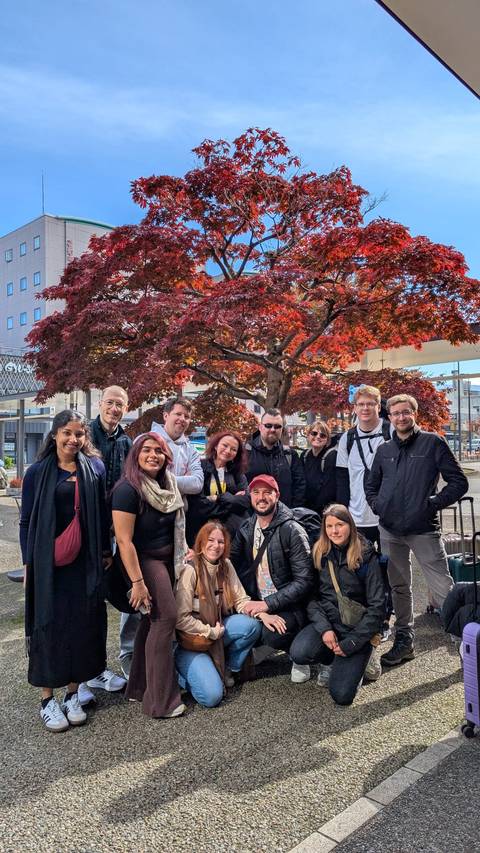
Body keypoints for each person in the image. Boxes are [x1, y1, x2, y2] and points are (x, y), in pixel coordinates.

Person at [20, 410, 111, 732]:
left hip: (85, 563)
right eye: (67, 433)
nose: (73, 439)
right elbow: (26, 522)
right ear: (55, 434)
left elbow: (102, 515)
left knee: (82, 626)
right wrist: (29, 563)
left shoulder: (95, 468)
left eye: (79, 434)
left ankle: (73, 693)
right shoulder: (37, 472)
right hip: (48, 566)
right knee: (48, 625)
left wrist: (105, 553)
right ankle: (47, 699)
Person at [366, 394, 468, 666]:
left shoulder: (433, 443)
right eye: (396, 413)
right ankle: (404, 640)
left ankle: (465, 643)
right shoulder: (384, 450)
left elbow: (458, 482)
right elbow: (371, 485)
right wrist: (378, 506)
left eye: (406, 412)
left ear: (414, 413)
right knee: (399, 587)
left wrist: (431, 504)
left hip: (423, 529)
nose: (401, 417)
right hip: (389, 530)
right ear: (389, 417)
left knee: (443, 587)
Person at [111, 431, 187, 718]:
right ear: (136, 455)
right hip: (143, 561)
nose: (153, 455)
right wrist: (138, 583)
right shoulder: (128, 489)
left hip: (166, 559)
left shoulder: (167, 485)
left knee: (151, 620)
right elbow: (123, 541)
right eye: (146, 450)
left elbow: (172, 528)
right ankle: (161, 702)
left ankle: (139, 687)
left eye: (158, 451)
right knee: (165, 618)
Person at [289, 504, 386, 705]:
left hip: (357, 630)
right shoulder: (319, 553)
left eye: (340, 525)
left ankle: (366, 657)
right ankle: (330, 660)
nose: (334, 531)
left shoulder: (366, 556)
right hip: (330, 623)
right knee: (300, 652)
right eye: (329, 526)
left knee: (341, 695)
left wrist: (353, 643)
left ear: (350, 525)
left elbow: (378, 607)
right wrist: (324, 629)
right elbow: (311, 598)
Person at [230, 474, 315, 682]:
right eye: (256, 492)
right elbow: (229, 560)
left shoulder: (292, 530)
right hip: (259, 599)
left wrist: (267, 604)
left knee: (272, 634)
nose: (261, 497)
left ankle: (298, 655)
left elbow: (304, 580)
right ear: (250, 496)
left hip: (291, 605)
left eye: (267, 492)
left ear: (277, 495)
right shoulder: (247, 527)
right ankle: (265, 646)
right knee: (246, 625)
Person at [175, 522, 262, 707]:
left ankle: (228, 667)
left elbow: (241, 599)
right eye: (211, 540)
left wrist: (263, 614)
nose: (216, 546)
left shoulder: (226, 565)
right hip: (192, 642)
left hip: (217, 629)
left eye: (221, 542)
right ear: (201, 542)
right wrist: (209, 631)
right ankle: (178, 675)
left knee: (252, 626)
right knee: (212, 697)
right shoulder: (190, 570)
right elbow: (180, 618)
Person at [84, 385, 132, 699]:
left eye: (120, 405)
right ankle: (83, 673)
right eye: (110, 402)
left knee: (108, 599)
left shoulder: (127, 441)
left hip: (115, 532)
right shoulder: (84, 435)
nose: (114, 409)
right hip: (86, 529)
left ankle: (98, 668)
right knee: (85, 603)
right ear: (101, 403)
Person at [336, 385, 393, 639]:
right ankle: (366, 617)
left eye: (371, 403)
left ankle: (388, 617)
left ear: (379, 406)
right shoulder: (347, 438)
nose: (366, 408)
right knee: (361, 572)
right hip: (358, 517)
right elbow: (341, 478)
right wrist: (343, 515)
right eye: (361, 404)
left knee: (391, 569)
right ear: (355, 407)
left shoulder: (390, 431)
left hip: (387, 516)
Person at [186, 431, 250, 544]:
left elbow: (245, 501)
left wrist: (217, 498)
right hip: (202, 532)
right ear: (216, 446)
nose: (228, 451)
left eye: (233, 449)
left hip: (231, 536)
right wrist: (231, 502)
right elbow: (198, 505)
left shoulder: (237, 473)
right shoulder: (200, 467)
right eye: (225, 445)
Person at [245, 409, 306, 508]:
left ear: (282, 429)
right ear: (260, 427)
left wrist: (292, 512)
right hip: (252, 514)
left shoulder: (290, 455)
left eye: (277, 426)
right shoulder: (245, 453)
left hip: (284, 514)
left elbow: (299, 487)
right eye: (268, 425)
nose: (273, 429)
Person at [151, 396, 204, 497]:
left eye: (187, 417)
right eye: (178, 414)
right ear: (166, 416)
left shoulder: (191, 450)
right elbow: (140, 478)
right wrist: (184, 481)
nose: (182, 419)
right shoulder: (145, 441)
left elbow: (197, 484)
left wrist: (160, 479)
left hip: (179, 506)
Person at [301, 421, 337, 515]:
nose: (318, 437)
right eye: (314, 433)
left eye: (323, 435)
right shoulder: (304, 455)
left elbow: (328, 490)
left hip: (324, 511)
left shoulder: (331, 456)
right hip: (305, 509)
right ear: (308, 435)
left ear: (327, 440)